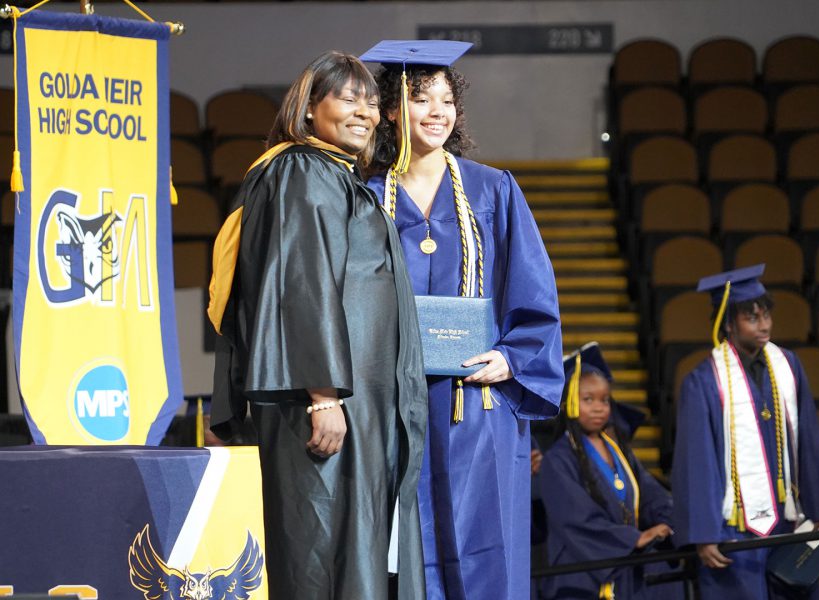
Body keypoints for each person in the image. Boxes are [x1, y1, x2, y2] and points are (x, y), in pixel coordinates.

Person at [206, 51, 428, 600]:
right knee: (321, 556)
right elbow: (303, 286)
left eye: (372, 102)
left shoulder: (332, 174)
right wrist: (323, 396)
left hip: (353, 402)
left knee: (350, 553)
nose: (366, 113)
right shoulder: (303, 170)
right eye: (348, 98)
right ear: (309, 109)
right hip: (327, 404)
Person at [361, 40, 564, 600]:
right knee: (401, 552)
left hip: (475, 403)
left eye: (447, 100)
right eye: (421, 98)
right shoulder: (365, 193)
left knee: (485, 548)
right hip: (391, 406)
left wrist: (513, 357)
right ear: (392, 110)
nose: (437, 111)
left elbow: (532, 289)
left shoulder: (492, 188)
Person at [671, 264, 819, 599]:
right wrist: (704, 533)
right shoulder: (704, 381)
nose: (764, 324)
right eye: (752, 317)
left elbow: (810, 439)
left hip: (789, 520)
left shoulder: (788, 366)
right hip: (734, 530)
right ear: (729, 324)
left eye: (765, 315)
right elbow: (697, 462)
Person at [540, 342, 679, 600]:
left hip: (623, 566)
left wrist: (669, 519)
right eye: (588, 399)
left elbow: (648, 492)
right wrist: (631, 539)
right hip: (583, 571)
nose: (598, 407)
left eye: (604, 400)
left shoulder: (617, 449)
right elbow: (576, 519)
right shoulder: (557, 459)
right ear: (568, 402)